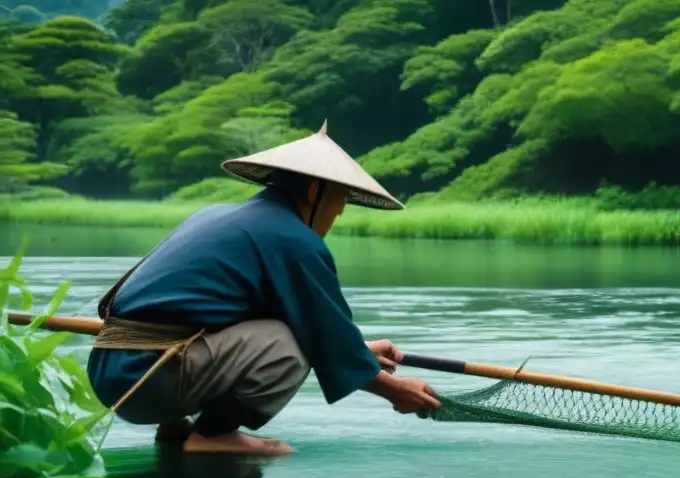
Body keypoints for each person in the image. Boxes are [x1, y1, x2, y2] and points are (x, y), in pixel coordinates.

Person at [86, 121, 441, 456]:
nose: (339, 213)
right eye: (341, 199)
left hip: (112, 372)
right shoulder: (295, 240)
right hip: (151, 378)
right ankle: (214, 435)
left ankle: (175, 429)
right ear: (316, 191)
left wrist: (357, 350)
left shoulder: (216, 215)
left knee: (287, 330)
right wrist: (395, 390)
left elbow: (287, 323)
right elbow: (313, 334)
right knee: (289, 344)